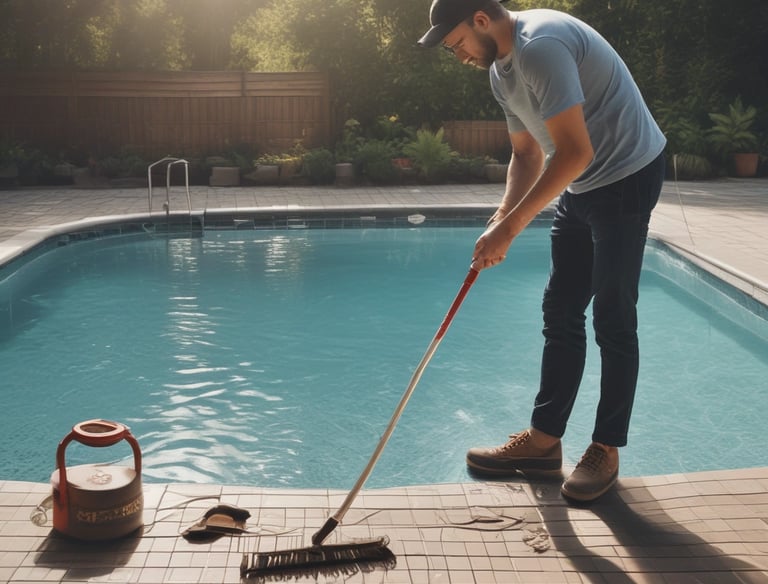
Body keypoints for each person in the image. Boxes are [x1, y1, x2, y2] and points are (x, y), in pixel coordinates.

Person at [418, 0, 666, 502]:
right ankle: (545, 441)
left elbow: (576, 151)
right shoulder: (500, 72)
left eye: (458, 42)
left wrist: (510, 232)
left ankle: (605, 448)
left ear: (481, 20)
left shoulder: (541, 47)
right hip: (578, 184)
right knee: (560, 309)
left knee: (613, 315)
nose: (459, 54)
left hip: (627, 175)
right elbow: (527, 153)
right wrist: (500, 219)